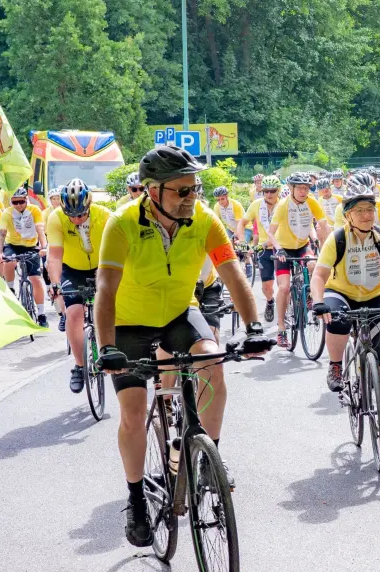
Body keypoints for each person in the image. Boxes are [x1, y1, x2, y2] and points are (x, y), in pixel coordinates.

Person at [94, 146, 272, 547]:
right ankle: (136, 498)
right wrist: (106, 348)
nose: (192, 196)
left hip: (179, 313)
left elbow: (232, 273)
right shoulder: (122, 224)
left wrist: (254, 327)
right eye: (182, 190)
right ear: (152, 191)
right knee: (133, 413)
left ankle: (209, 459)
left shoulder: (204, 220)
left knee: (212, 360)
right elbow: (105, 288)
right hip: (129, 324)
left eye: (195, 188)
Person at [311, 178, 380, 438]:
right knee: (337, 318)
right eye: (360, 211)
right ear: (348, 215)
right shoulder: (337, 238)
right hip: (341, 293)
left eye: (370, 209)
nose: (367, 215)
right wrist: (318, 301)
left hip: (374, 295)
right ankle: (335, 365)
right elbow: (320, 275)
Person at [45, 179, 110, 391]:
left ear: (89, 205)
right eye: (71, 215)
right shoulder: (56, 218)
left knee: (113, 307)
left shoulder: (104, 216)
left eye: (81, 214)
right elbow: (55, 256)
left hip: (102, 266)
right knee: (73, 313)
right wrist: (55, 283)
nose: (75, 219)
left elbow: (116, 249)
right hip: (72, 269)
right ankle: (79, 366)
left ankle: (111, 350)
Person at [271, 172, 330, 348]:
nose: (304, 192)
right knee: (284, 287)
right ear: (291, 188)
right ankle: (281, 328)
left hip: (303, 245)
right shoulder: (283, 205)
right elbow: (270, 233)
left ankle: (310, 295)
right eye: (300, 188)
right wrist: (279, 249)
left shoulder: (312, 202)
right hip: (283, 248)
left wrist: (327, 246)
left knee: (312, 264)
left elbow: (324, 225)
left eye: (306, 188)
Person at [0, 186, 49, 327]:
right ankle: (11, 288)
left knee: (36, 279)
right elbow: (1, 233)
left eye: (21, 201)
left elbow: (40, 229)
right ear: (11, 202)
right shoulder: (7, 213)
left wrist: (44, 247)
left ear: (26, 199)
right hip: (13, 245)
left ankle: (41, 314)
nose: (18, 205)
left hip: (31, 246)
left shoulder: (34, 210)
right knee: (9, 261)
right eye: (15, 202)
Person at [242, 175, 283, 322]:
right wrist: (242, 241)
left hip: (280, 248)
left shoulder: (283, 205)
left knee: (283, 285)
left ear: (278, 190)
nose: (269, 194)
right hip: (264, 250)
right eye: (266, 191)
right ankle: (270, 302)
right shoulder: (256, 205)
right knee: (266, 287)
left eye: (272, 191)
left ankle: (285, 311)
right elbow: (242, 223)